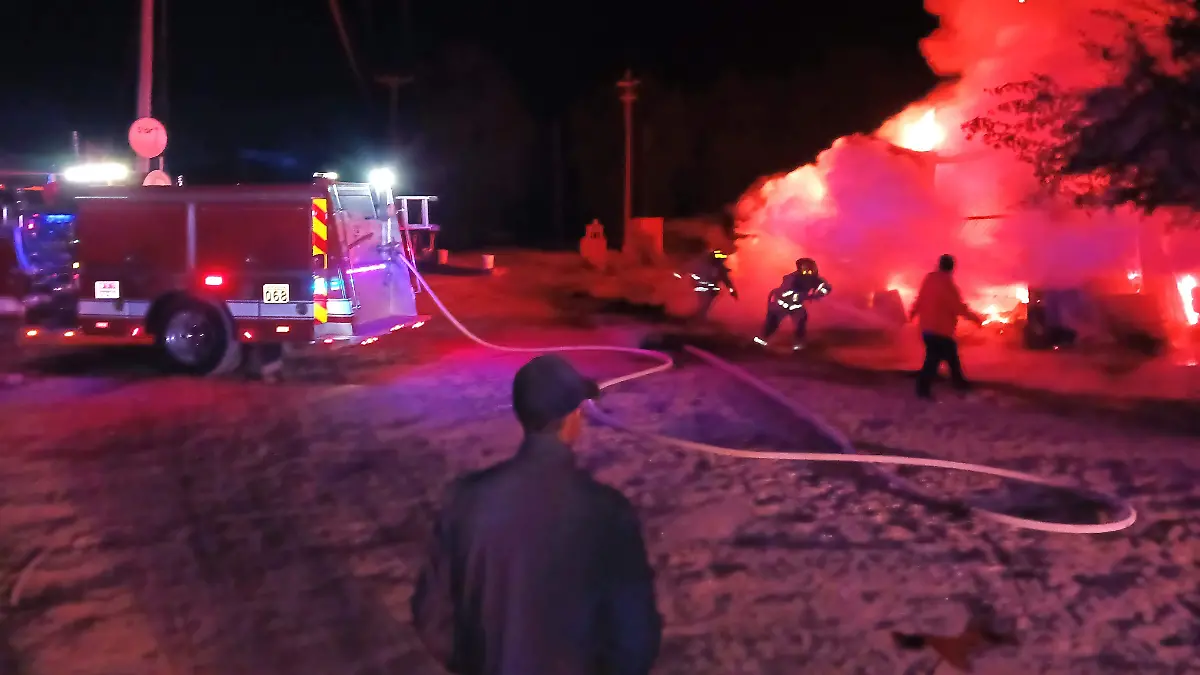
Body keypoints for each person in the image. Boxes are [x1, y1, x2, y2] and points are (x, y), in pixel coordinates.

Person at [411, 354, 662, 675]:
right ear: (573, 417)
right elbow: (634, 634)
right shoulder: (607, 512)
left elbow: (431, 614)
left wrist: (475, 663)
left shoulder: (465, 500)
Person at [909, 254, 983, 400]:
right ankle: (923, 389)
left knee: (949, 355)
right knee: (935, 359)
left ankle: (958, 382)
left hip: (927, 328)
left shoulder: (929, 280)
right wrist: (975, 319)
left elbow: (920, 299)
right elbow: (957, 307)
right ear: (951, 268)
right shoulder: (947, 285)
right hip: (939, 330)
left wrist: (913, 313)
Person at [754, 257, 831, 351]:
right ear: (800, 268)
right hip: (781, 306)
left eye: (811, 268)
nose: (809, 271)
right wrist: (801, 295)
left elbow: (826, 287)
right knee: (772, 325)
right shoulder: (791, 278)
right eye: (806, 268)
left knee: (800, 325)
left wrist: (820, 293)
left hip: (796, 307)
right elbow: (786, 292)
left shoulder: (815, 279)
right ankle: (759, 344)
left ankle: (799, 348)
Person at [690, 248, 738, 320]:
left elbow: (726, 280)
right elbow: (695, 275)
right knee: (704, 302)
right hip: (703, 288)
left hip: (709, 289)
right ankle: (699, 316)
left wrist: (732, 290)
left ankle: (700, 316)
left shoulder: (719, 268)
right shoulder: (704, 266)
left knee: (705, 303)